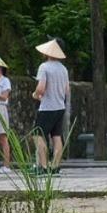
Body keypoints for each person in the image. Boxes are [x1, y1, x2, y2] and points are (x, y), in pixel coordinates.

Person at [33, 39, 70, 174]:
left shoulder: (44, 67)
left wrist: (35, 94)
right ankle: (55, 166)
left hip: (47, 106)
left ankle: (42, 166)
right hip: (60, 106)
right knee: (56, 136)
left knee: (38, 135)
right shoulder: (63, 69)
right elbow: (67, 90)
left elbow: (41, 88)